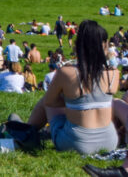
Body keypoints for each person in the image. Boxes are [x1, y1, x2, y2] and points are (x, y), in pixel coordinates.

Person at [30, 20, 119, 156]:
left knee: (47, 101)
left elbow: (49, 102)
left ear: (79, 45)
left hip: (76, 144)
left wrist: (70, 101)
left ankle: (27, 130)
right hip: (109, 142)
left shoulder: (67, 72)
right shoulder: (114, 73)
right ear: (104, 46)